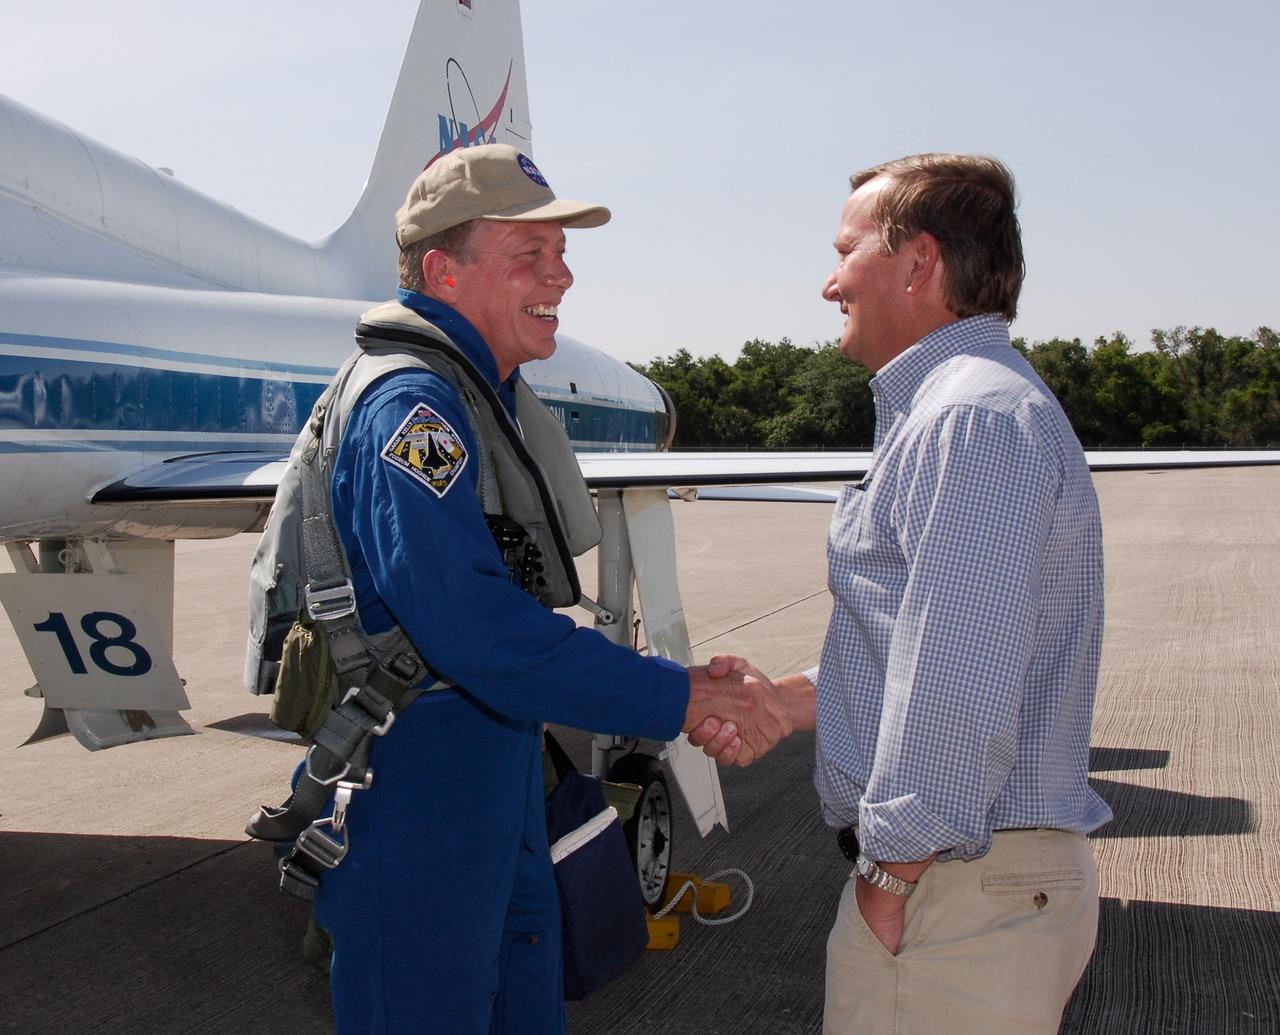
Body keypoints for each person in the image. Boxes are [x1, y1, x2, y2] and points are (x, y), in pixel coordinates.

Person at [309, 143, 785, 1034]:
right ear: (444, 272)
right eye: (530, 254)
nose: (561, 275)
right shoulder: (411, 409)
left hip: (492, 769)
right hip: (420, 789)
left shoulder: (477, 394)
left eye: (561, 252)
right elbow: (477, 629)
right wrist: (679, 694)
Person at [693, 153, 1113, 1034]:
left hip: (952, 901)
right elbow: (921, 644)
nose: (828, 281)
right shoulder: (967, 411)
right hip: (964, 888)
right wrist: (784, 701)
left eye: (847, 251)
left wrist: (890, 880)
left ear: (918, 263)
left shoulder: (970, 420)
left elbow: (956, 690)